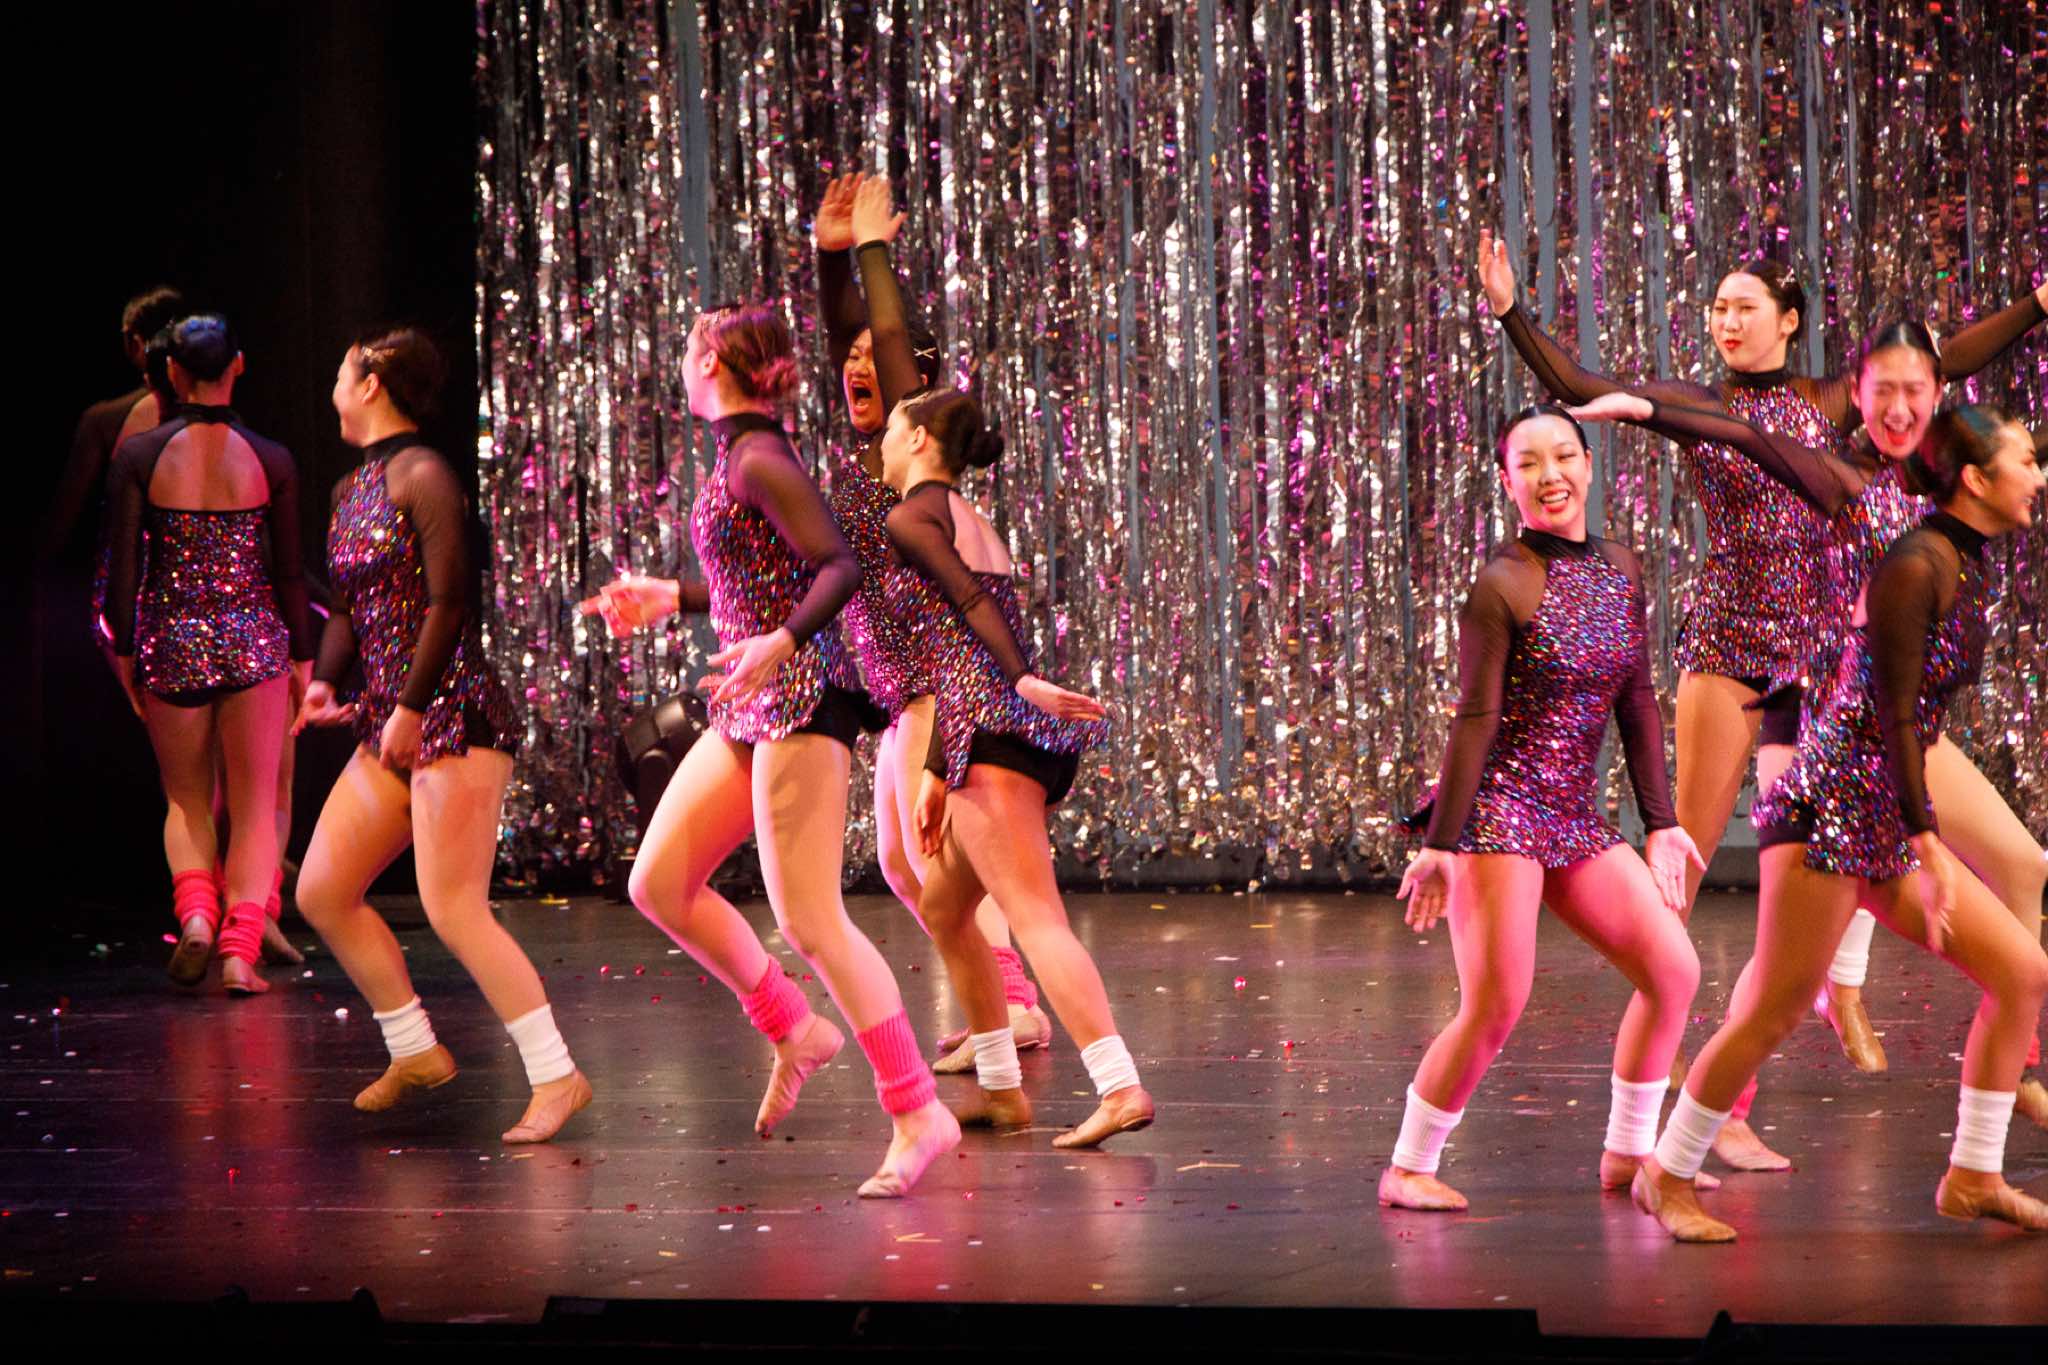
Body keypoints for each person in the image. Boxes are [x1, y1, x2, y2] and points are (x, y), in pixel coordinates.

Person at [1479, 232, 2044, 1165]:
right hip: (1729, 654)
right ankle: (1676, 1108)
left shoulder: (1834, 401)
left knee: (1897, 856)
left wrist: (2037, 307)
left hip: (1818, 671)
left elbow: (1939, 361)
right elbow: (1581, 385)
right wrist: (1510, 310)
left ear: (1788, 320)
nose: (1726, 321)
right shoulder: (1705, 404)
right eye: (1717, 308)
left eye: (1745, 307)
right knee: (1684, 878)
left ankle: (1960, 1044)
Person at [1631, 406, 2048, 1241]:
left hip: (1877, 814)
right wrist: (1928, 841)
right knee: (1775, 1009)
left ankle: (1974, 1173)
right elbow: (1893, 716)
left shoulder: (1960, 558)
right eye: (2027, 460)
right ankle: (1664, 1173)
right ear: (1976, 479)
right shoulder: (1917, 566)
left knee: (2021, 973)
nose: (2039, 476)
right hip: (1829, 811)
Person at [581, 302, 958, 1196]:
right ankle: (794, 1025)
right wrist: (672, 597)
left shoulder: (758, 456)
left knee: (810, 919)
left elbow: (838, 565)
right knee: (659, 881)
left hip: (799, 698)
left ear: (712, 362)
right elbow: (762, 574)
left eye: (687, 349)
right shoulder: (741, 454)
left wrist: (781, 642)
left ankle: (918, 1110)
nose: (682, 363)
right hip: (756, 703)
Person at [1381, 404, 1705, 1212]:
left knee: (1674, 971)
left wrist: (1662, 822)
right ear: (1507, 482)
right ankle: (1408, 1167)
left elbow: (1637, 700)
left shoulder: (1621, 568)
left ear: (1590, 466)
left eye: (1564, 456)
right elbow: (1475, 718)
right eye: (1528, 463)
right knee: (1497, 1000)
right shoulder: (1504, 582)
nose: (1550, 474)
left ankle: (1629, 1152)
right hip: (1497, 809)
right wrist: (1442, 843)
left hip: (1568, 811)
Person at [293, 326, 590, 1144]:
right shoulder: (352, 488)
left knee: (453, 906)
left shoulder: (424, 474)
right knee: (322, 889)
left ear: (371, 383)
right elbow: (349, 608)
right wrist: (324, 679)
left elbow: (449, 600)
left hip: (451, 716)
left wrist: (413, 706)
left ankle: (557, 1074)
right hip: (394, 716)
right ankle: (414, 1048)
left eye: (341, 371)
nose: (333, 386)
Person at [874, 382, 1153, 1146]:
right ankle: (1001, 1089)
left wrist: (1022, 678)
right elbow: (952, 653)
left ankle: (1119, 1085)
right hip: (989, 731)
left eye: (894, 427)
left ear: (920, 439)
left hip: (998, 731)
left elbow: (971, 608)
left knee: (1035, 918)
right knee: (944, 907)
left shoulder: (911, 516)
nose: (883, 442)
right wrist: (936, 769)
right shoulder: (970, 517)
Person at [814, 171, 1052, 1068]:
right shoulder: (873, 459)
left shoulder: (913, 447)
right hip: (901, 692)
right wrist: (829, 256)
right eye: (848, 365)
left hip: (934, 687)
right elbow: (851, 339)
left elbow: (884, 340)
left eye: (874, 362)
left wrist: (872, 251)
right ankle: (1002, 1003)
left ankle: (1012, 1009)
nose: (857, 370)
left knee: (939, 863)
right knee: (904, 864)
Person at [103, 314, 312, 994]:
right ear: (238, 366)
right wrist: (303, 660)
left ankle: (196, 916)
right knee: (253, 809)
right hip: (255, 643)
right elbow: (288, 573)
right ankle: (239, 955)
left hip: (172, 641)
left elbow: (123, 571)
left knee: (187, 801)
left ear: (172, 371)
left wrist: (125, 652)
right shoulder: (270, 458)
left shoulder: (139, 456)